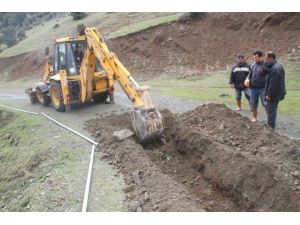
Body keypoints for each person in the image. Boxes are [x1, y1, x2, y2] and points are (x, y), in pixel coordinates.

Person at [264, 51, 286, 129]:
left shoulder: (275, 68)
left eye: (266, 59)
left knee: (271, 112)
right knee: (270, 111)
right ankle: (270, 126)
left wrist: (268, 94)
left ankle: (270, 129)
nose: (265, 61)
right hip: (275, 93)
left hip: (273, 94)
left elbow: (273, 84)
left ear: (271, 58)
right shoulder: (275, 66)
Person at [246, 50, 269, 122]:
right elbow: (250, 75)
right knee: (253, 104)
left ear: (261, 57)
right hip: (253, 88)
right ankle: (254, 118)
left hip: (263, 88)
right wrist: (247, 79)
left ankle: (270, 119)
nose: (254, 59)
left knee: (266, 104)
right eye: (254, 57)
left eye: (256, 57)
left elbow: (269, 76)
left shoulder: (265, 65)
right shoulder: (252, 65)